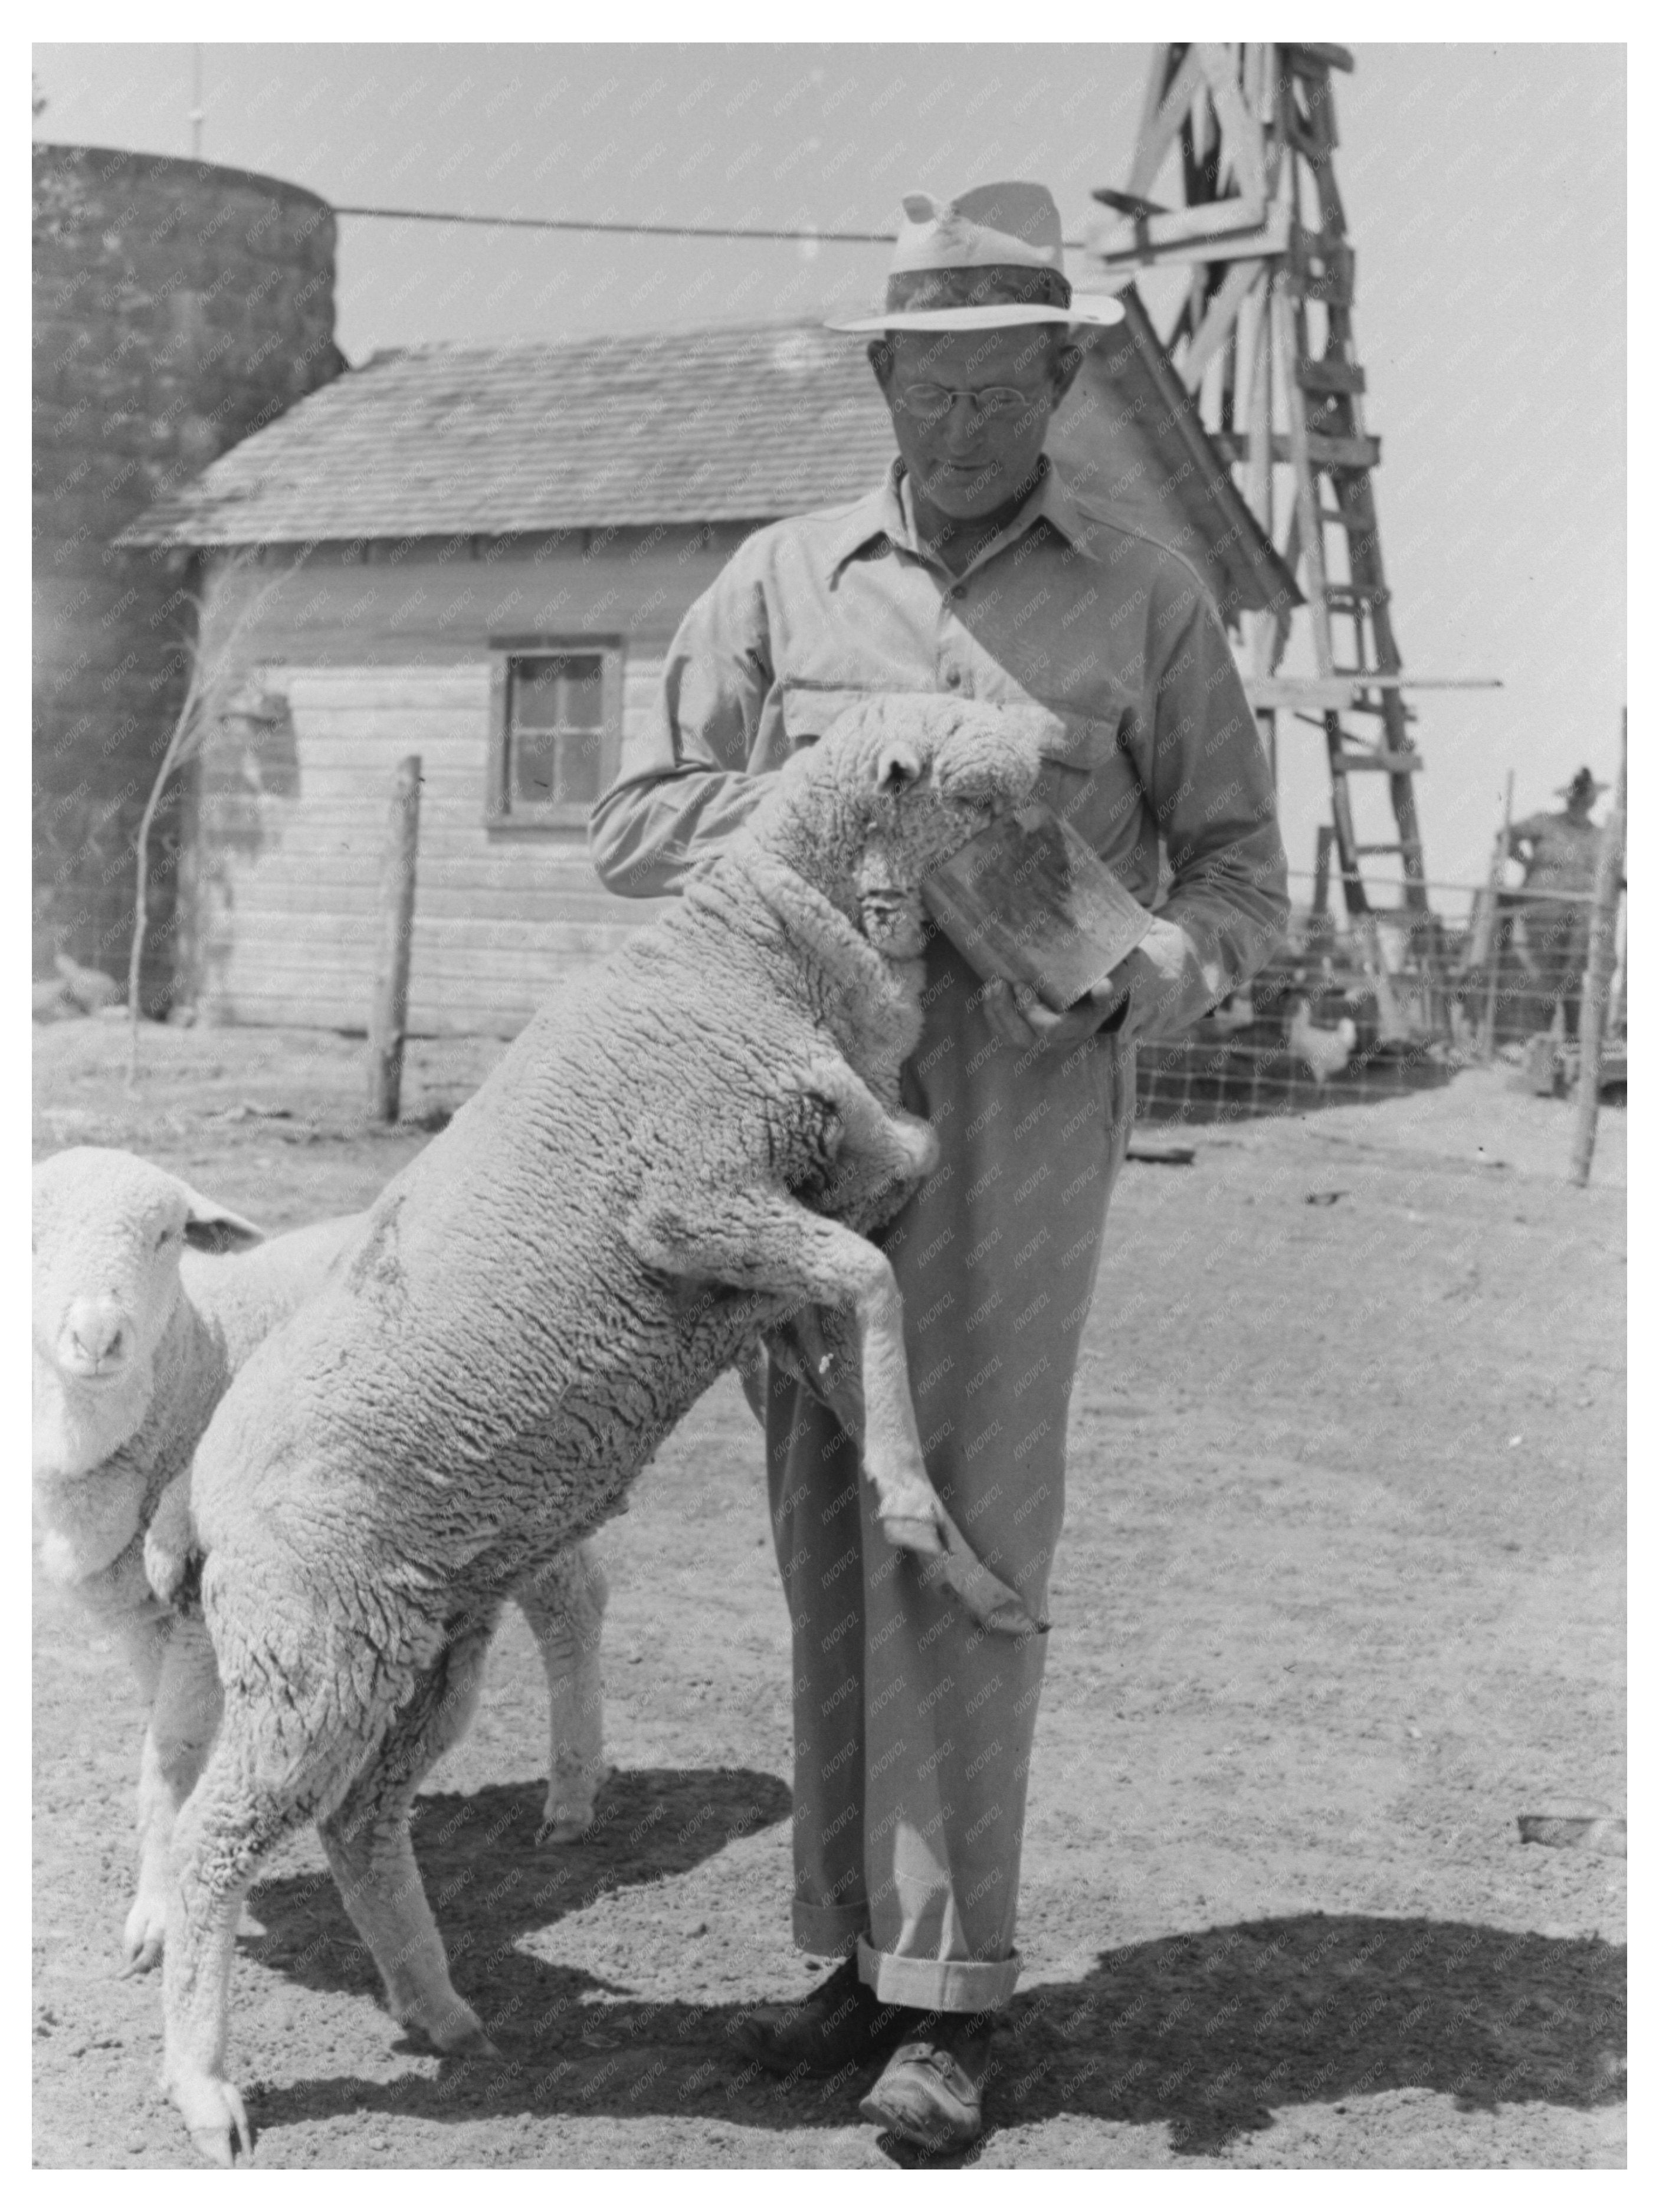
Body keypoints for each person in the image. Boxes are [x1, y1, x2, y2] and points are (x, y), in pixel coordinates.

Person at [588, 179, 1288, 2153]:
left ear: (1064, 374)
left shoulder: (1149, 597)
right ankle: (847, 1951)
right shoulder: (780, 581)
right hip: (801, 1109)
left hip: (1020, 1139)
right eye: (931, 387)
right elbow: (636, 828)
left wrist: (1166, 953)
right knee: (824, 1528)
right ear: (882, 374)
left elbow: (1243, 872)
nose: (965, 425)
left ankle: (953, 1994)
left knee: (964, 1538)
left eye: (1005, 389)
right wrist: (846, 783)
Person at [1504, 766, 1607, 1038]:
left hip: (1583, 912)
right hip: (1544, 909)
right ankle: (1541, 1040)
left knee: (1574, 976)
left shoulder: (1600, 835)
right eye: (1579, 797)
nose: (1583, 802)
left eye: (1588, 797)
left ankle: (1573, 1044)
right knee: (1545, 974)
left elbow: (1611, 870)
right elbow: (1507, 835)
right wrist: (1527, 863)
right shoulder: (1545, 823)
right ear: (1569, 799)